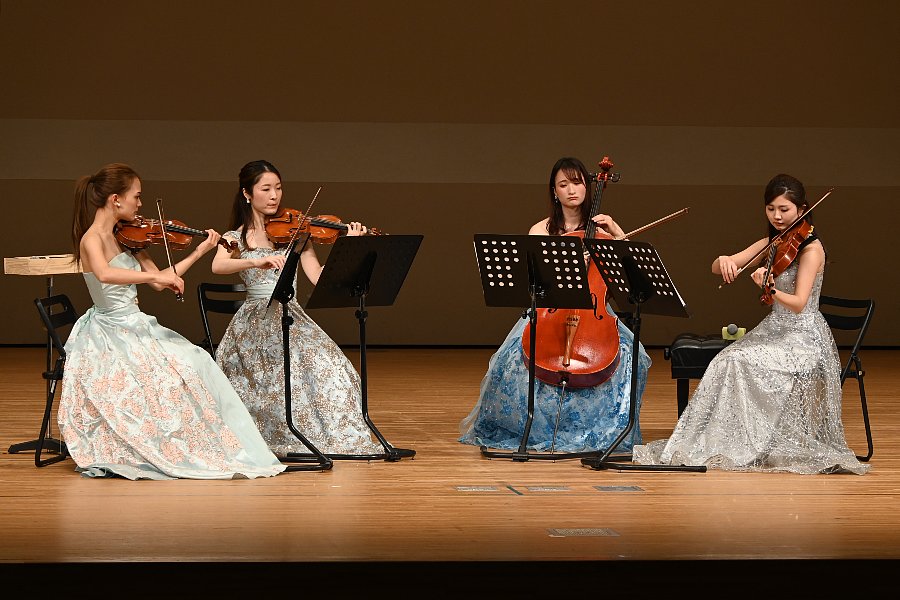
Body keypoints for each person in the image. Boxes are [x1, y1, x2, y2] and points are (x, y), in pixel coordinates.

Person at [59, 163, 285, 480]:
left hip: (135, 325)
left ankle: (207, 445)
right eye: (136, 196)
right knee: (166, 376)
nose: (140, 204)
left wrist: (200, 251)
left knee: (197, 360)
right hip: (110, 331)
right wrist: (154, 276)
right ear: (116, 199)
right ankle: (161, 444)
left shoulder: (127, 238)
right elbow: (105, 273)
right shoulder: (91, 239)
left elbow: (161, 279)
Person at [633, 174, 867, 474]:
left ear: (801, 208)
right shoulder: (774, 242)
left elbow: (799, 303)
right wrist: (725, 261)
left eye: (784, 209)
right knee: (725, 359)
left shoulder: (811, 249)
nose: (777, 216)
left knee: (739, 360)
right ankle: (727, 441)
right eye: (771, 209)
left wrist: (770, 289)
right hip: (775, 330)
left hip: (802, 338)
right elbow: (719, 267)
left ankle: (751, 442)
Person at [459, 157, 652, 453]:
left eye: (577, 183)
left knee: (634, 357)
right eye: (563, 185)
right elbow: (536, 281)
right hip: (550, 310)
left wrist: (615, 231)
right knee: (506, 362)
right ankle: (533, 429)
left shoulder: (602, 231)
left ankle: (604, 432)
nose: (571, 190)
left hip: (594, 312)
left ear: (587, 187)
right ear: (554, 191)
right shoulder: (541, 230)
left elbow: (627, 274)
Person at [211, 160, 381, 456]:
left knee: (331, 365)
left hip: (291, 314)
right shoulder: (234, 237)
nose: (274, 195)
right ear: (247, 194)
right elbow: (218, 265)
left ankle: (320, 434)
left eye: (278, 188)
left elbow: (317, 276)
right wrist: (257, 261)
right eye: (266, 189)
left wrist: (349, 247)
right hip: (254, 322)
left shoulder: (297, 233)